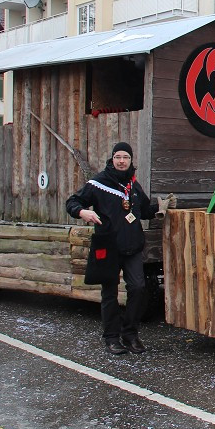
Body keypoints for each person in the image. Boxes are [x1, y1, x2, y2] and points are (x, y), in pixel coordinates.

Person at [65, 143, 173, 355]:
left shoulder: (133, 185)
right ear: (112, 159)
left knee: (138, 288)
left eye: (125, 157)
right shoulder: (98, 183)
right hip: (108, 246)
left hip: (132, 246)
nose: (122, 161)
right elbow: (73, 201)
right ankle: (112, 338)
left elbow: (143, 210)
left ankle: (130, 334)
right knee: (110, 293)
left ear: (131, 160)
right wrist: (82, 212)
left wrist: (162, 207)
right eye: (118, 157)